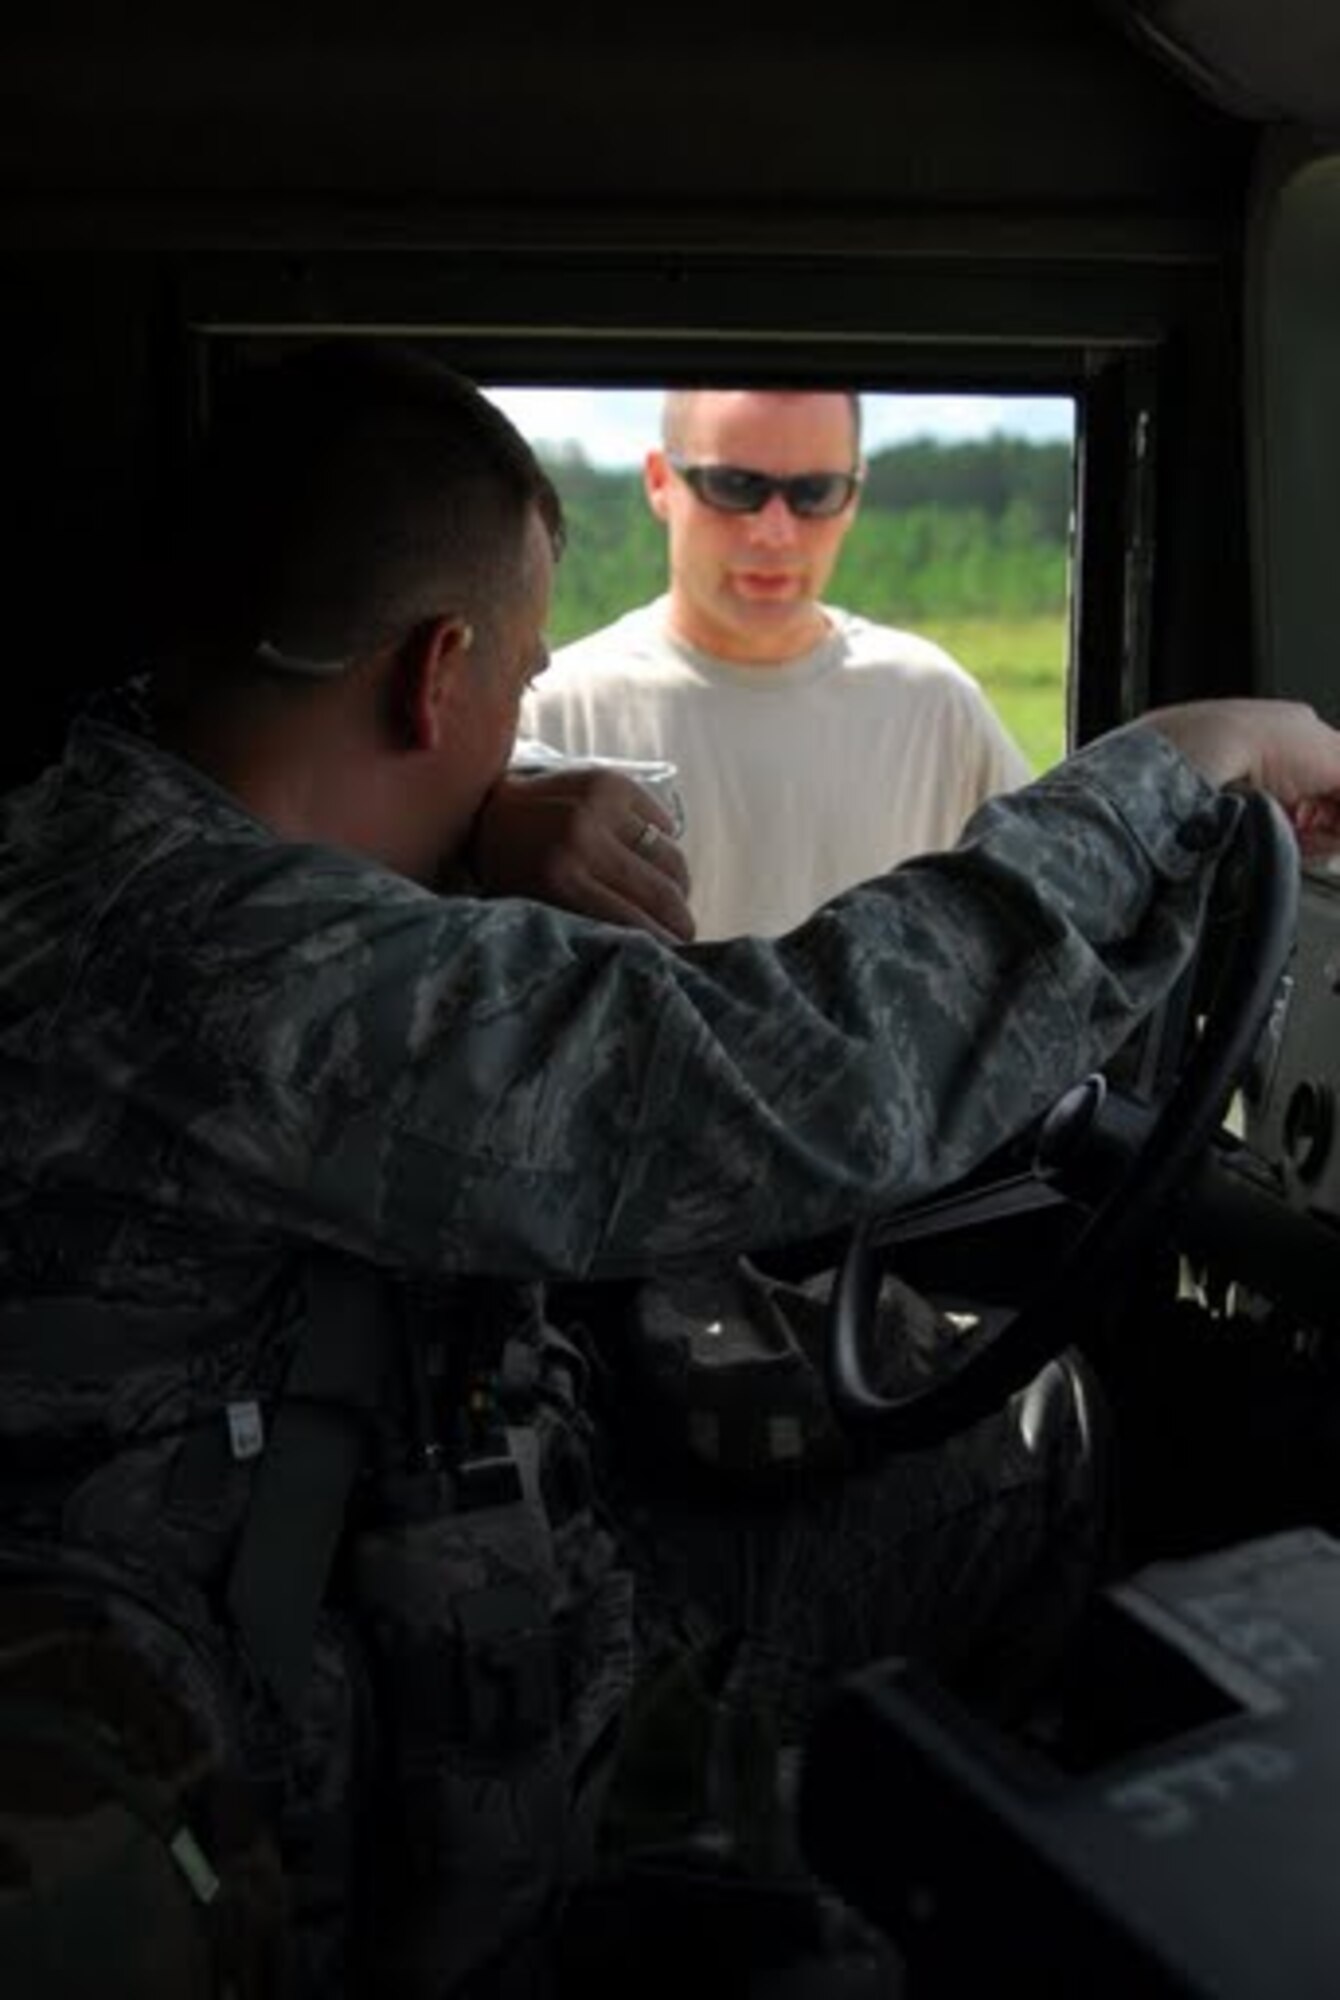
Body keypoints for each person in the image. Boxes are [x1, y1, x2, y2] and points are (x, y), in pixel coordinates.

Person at [2, 338, 1340, 2000]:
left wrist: (476, 827)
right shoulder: (211, 954)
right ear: (437, 680)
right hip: (303, 1687)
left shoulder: (111, 835)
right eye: (512, 682)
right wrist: (1176, 777)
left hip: (403, 1550)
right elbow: (790, 1079)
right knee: (1044, 1458)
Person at [521, 387, 1033, 939]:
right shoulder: (552, 713)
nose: (775, 532)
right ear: (660, 481)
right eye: (735, 487)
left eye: (815, 492)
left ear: (854, 495)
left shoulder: (935, 708)